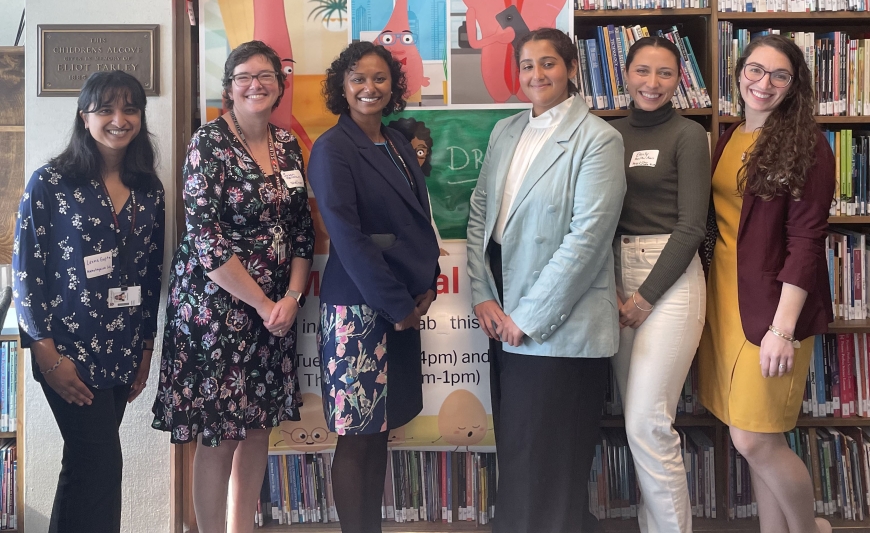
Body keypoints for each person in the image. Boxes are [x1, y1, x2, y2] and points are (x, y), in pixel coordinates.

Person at [150, 40, 314, 533]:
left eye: (265, 75)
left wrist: (292, 297)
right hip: (216, 310)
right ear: (229, 87)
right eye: (244, 76)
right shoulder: (208, 143)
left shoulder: (288, 144)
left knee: (259, 426)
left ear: (280, 86)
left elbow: (303, 229)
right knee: (218, 434)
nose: (255, 84)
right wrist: (266, 302)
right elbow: (206, 239)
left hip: (276, 311)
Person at [466, 27, 625, 533]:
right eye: (528, 65)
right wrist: (483, 298)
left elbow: (587, 240)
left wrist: (526, 319)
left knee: (552, 454)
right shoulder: (505, 130)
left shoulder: (599, 138)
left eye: (549, 63)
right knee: (517, 446)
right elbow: (479, 218)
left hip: (559, 324)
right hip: (502, 312)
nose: (537, 74)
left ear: (572, 69)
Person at [13, 70, 165, 533]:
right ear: (85, 116)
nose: (119, 119)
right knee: (101, 465)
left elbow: (151, 273)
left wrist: (145, 350)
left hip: (122, 351)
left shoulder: (149, 188)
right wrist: (46, 354)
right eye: (106, 109)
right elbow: (26, 273)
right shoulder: (50, 183)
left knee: (82, 467)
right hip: (66, 351)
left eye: (130, 109)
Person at [698, 34, 834, 533]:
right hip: (726, 302)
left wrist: (782, 329)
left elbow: (806, 242)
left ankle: (809, 528)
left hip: (773, 310)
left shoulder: (807, 145)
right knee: (748, 434)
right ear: (739, 73)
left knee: (756, 439)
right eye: (755, 70)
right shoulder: (732, 134)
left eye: (779, 75)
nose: (764, 83)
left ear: (794, 85)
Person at [307, 41, 440, 533]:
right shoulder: (333, 148)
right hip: (360, 310)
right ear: (342, 86)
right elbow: (346, 236)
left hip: (401, 304)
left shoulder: (399, 142)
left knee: (380, 432)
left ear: (393, 87)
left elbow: (416, 225)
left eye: (380, 78)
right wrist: (398, 303)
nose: (369, 87)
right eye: (358, 78)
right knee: (357, 438)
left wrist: (423, 287)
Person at [608, 37, 710, 533]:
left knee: (647, 423)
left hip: (669, 278)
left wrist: (645, 298)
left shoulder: (689, 136)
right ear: (625, 74)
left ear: (679, 80)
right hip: (615, 275)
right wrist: (613, 291)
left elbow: (692, 227)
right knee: (636, 423)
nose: (652, 83)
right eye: (643, 72)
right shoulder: (607, 135)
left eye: (665, 73)